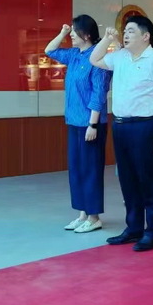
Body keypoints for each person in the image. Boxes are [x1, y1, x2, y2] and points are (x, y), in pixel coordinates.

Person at [90, 16, 153, 251]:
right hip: (121, 125)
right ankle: (134, 227)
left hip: (146, 125)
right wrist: (107, 39)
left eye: (130, 31)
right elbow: (94, 59)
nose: (125, 35)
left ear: (146, 36)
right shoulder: (120, 57)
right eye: (124, 31)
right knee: (127, 179)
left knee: (149, 180)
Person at [45, 15, 112, 234]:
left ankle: (94, 217)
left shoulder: (97, 58)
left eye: (74, 31)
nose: (72, 34)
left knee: (90, 169)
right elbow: (50, 51)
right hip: (74, 122)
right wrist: (62, 32)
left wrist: (93, 124)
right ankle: (82, 214)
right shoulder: (74, 55)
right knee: (76, 169)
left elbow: (99, 93)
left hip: (90, 123)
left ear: (87, 34)